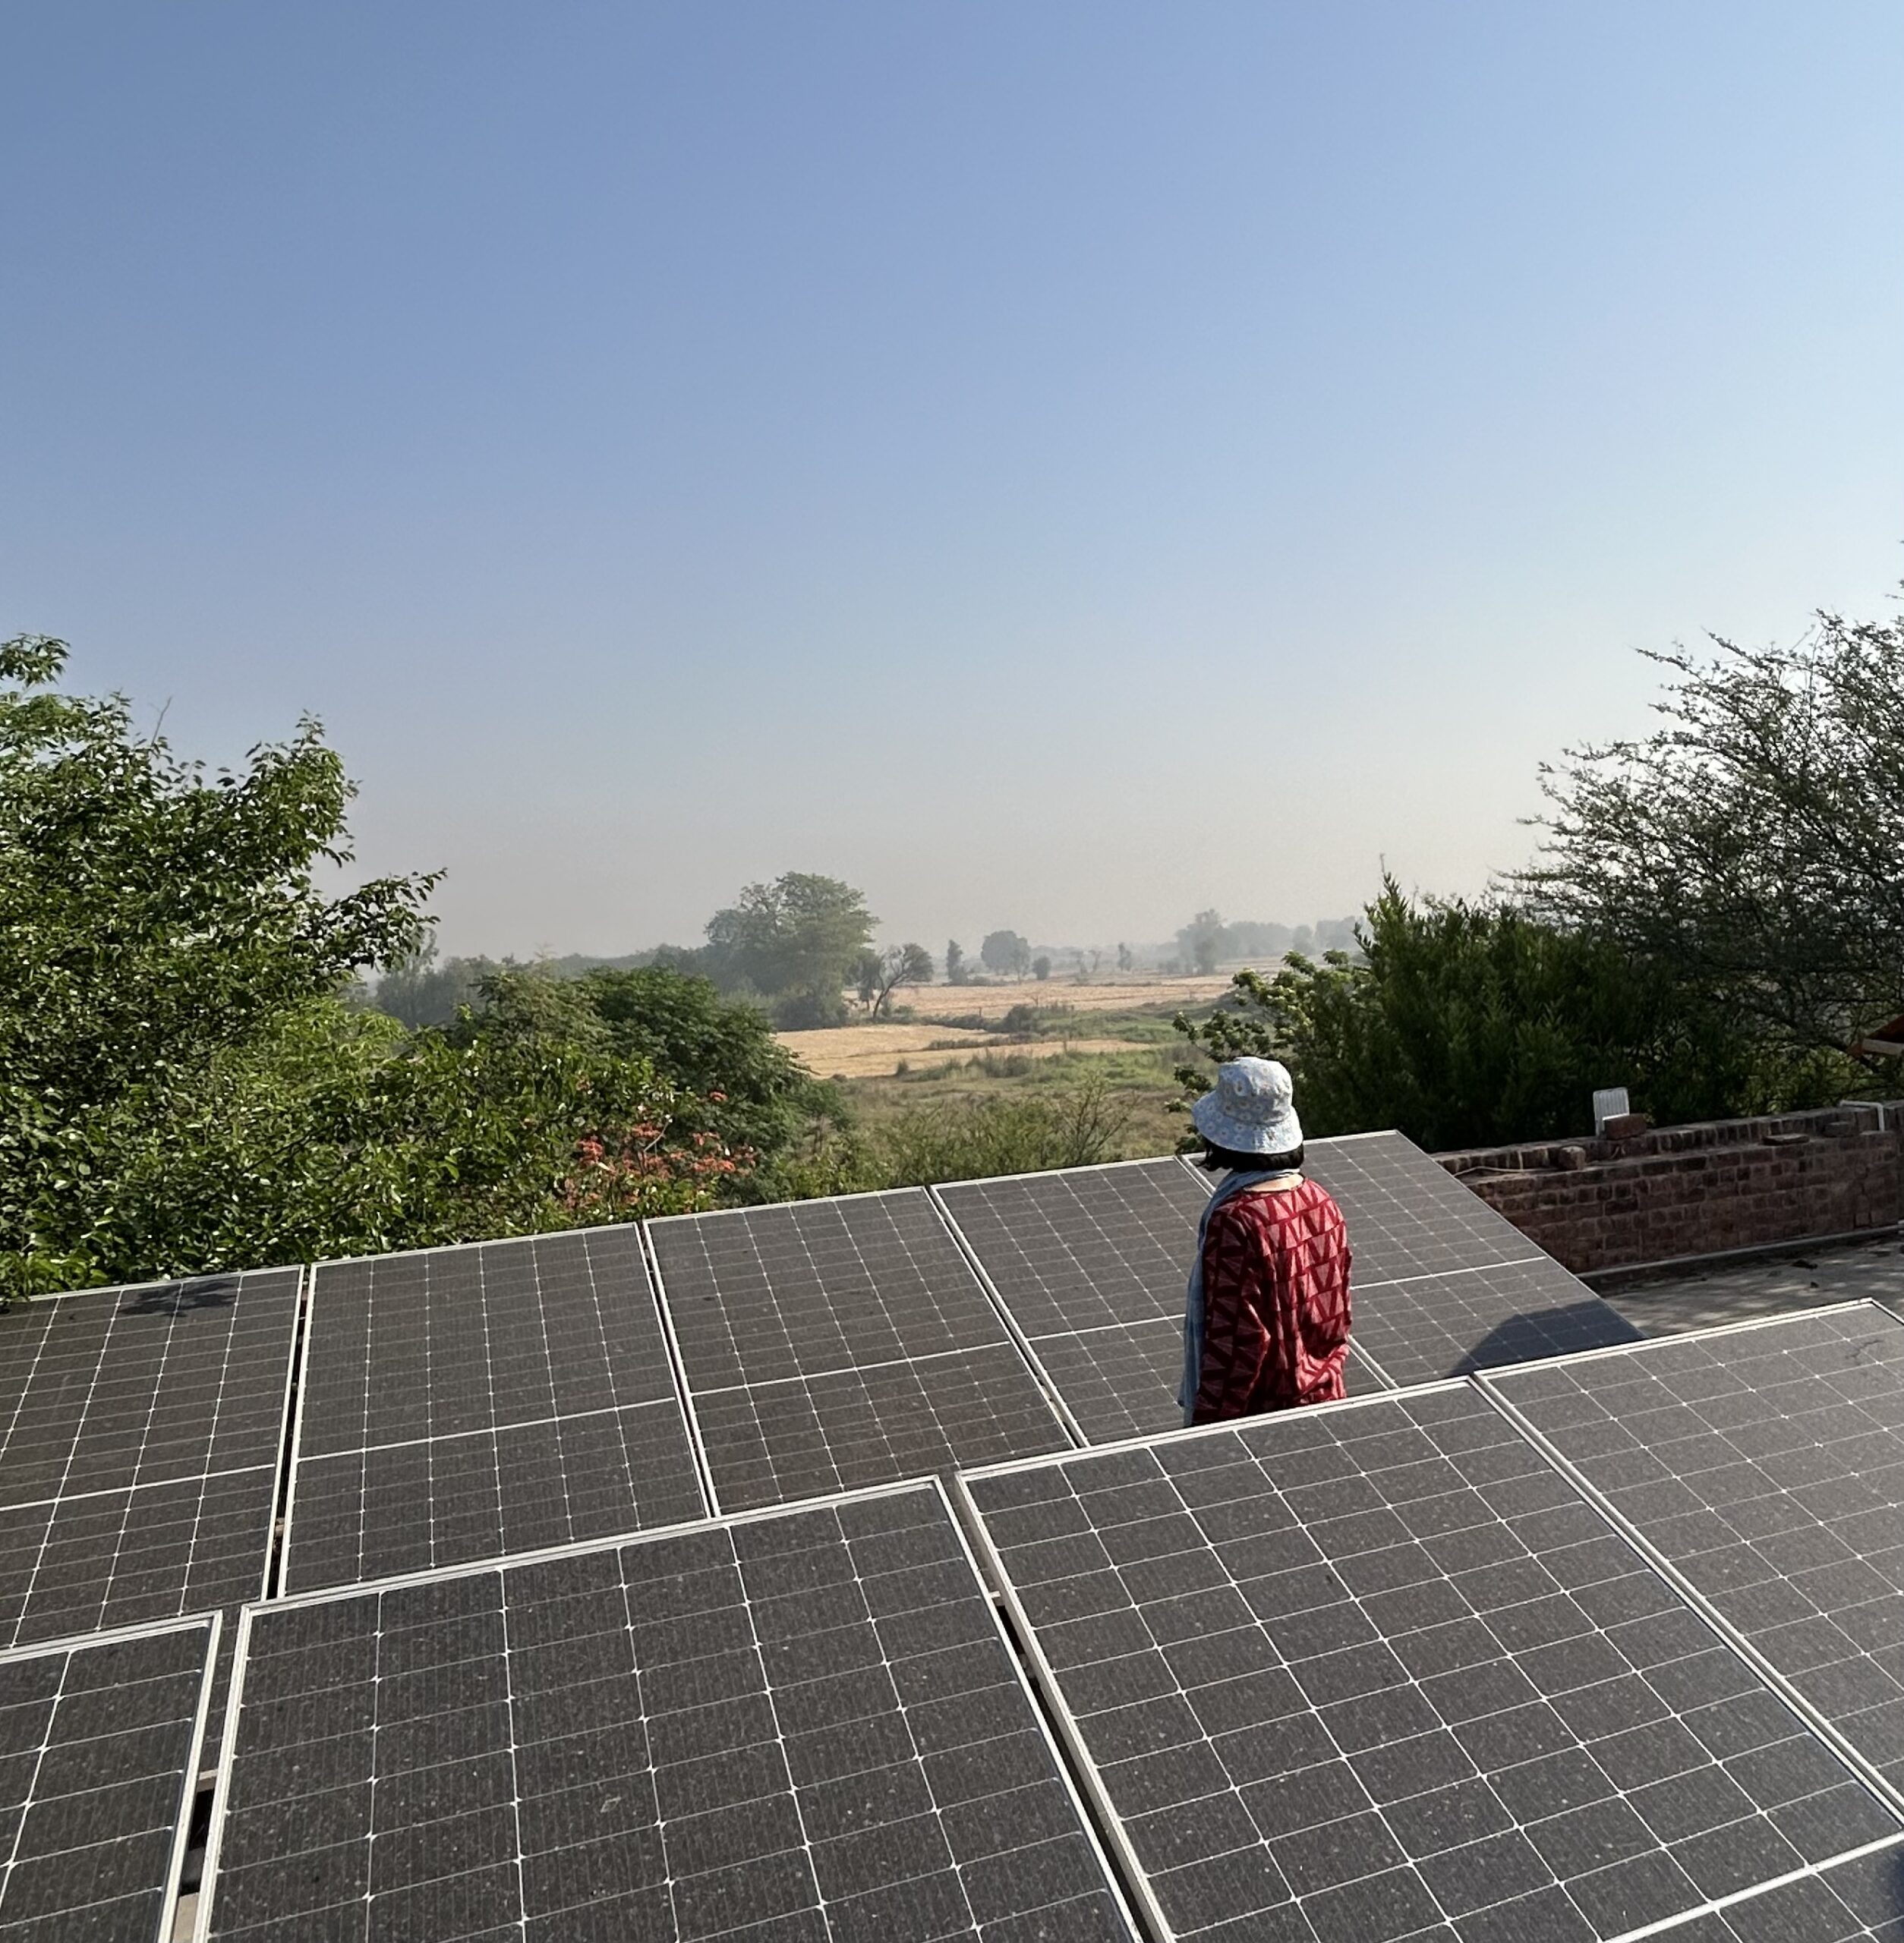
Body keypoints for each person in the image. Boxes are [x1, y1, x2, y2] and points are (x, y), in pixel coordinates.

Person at [1178, 1057, 1352, 1425]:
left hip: (1265, 1424)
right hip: (1328, 1405)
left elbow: (1238, 1346)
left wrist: (1202, 1433)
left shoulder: (1237, 1221)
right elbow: (1338, 1320)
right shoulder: (1321, 1201)